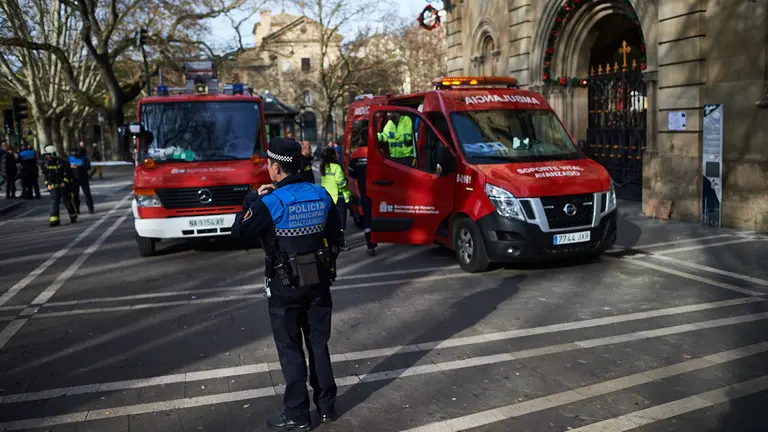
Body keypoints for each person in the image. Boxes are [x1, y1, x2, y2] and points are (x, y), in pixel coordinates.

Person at [231, 137, 344, 431]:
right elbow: (337, 238)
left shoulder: (271, 202)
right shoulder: (321, 195)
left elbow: (239, 233)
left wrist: (252, 200)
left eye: (269, 164)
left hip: (285, 288)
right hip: (319, 282)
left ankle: (296, 413)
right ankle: (327, 407)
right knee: (319, 345)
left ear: (277, 169)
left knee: (291, 348)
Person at [348, 145, 378, 256]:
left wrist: (354, 195)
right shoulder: (376, 150)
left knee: (367, 219)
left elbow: (351, 177)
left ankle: (370, 245)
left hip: (364, 191)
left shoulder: (356, 154)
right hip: (378, 189)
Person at [42, 145, 77, 227]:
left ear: (54, 154)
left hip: (63, 186)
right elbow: (46, 176)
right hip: (53, 186)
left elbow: (69, 175)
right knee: (54, 203)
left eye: (49, 155)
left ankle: (73, 215)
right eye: (46, 155)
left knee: (66, 201)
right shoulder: (46, 165)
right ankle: (54, 220)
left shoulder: (63, 163)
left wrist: (64, 182)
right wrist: (47, 184)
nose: (47, 157)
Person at [320, 147, 350, 236]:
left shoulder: (323, 167)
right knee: (340, 221)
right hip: (338, 197)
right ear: (333, 155)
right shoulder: (337, 167)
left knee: (329, 221)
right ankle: (340, 242)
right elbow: (340, 183)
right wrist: (346, 182)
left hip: (327, 197)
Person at [69, 145, 94, 214]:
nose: (75, 155)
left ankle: (90, 208)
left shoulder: (83, 158)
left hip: (83, 178)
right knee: (75, 195)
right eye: (73, 153)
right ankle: (76, 209)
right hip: (74, 179)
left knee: (87, 194)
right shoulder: (69, 158)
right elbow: (67, 168)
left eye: (76, 153)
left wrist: (80, 167)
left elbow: (88, 166)